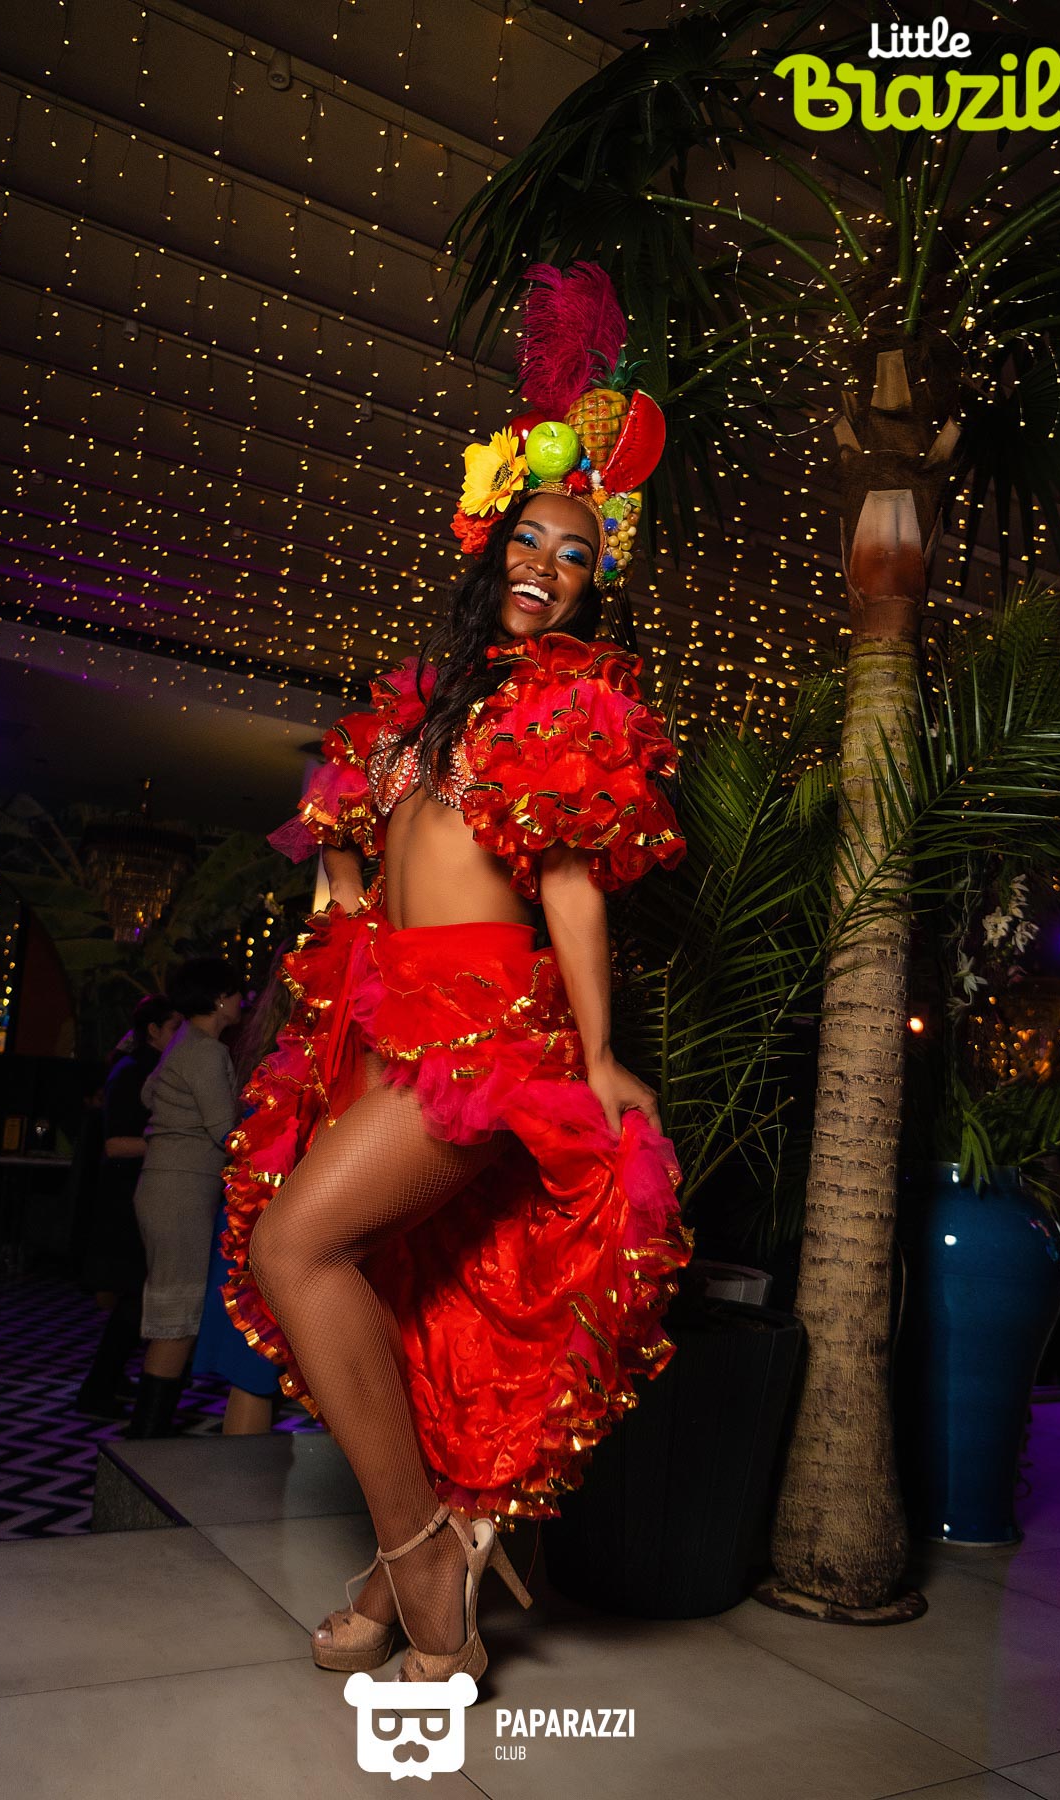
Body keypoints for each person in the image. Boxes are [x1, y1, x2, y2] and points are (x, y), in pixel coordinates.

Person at [221, 263, 692, 1684]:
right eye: (529, 540)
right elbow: (345, 863)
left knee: (294, 1250)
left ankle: (428, 1561)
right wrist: (338, 891)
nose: (547, 566)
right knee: (406, 1301)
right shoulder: (421, 705)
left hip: (483, 1036)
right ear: (490, 547)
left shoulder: (571, 704)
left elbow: (571, 893)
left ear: (597, 579)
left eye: (576, 555)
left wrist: (597, 1057)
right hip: (384, 1018)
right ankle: (394, 1571)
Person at [127, 958, 242, 1438]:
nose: (243, 1000)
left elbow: (148, 1095)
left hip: (167, 1186)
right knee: (176, 1319)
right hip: (181, 1191)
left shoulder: (184, 1043)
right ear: (218, 999)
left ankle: (148, 1434)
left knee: (173, 1314)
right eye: (236, 992)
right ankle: (146, 1438)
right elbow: (226, 1132)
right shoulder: (206, 1052)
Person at [188, 953, 296, 1435]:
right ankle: (241, 1481)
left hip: (254, 1217)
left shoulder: (268, 1051)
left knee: (253, 1371)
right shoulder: (292, 1059)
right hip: (262, 1218)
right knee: (253, 1369)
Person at [74, 994, 181, 1420]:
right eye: (174, 1027)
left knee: (136, 1297)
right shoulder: (132, 1072)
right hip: (125, 1201)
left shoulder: (151, 1069)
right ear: (152, 1031)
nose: (182, 1036)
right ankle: (97, 1389)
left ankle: (109, 1381)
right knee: (135, 1295)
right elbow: (115, 1144)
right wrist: (177, 1143)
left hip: (138, 1195)